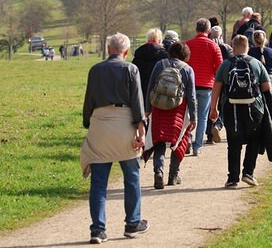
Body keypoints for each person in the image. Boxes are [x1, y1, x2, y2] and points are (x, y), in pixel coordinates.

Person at [80, 32, 149, 244]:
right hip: (125, 124)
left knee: (99, 182)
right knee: (132, 177)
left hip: (100, 124)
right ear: (126, 52)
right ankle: (132, 223)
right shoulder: (131, 69)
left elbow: (88, 101)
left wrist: (88, 124)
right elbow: (137, 101)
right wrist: (142, 129)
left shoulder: (95, 70)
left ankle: (98, 230)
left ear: (109, 49)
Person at [209, 35, 272, 188]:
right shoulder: (256, 63)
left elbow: (216, 87)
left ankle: (232, 179)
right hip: (254, 109)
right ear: (247, 47)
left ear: (233, 46)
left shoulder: (225, 65)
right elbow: (267, 88)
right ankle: (248, 173)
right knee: (254, 140)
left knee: (234, 142)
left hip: (231, 108)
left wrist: (213, 108)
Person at [144, 42, 197, 189]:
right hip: (178, 110)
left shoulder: (159, 65)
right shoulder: (187, 69)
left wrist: (148, 109)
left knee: (159, 141)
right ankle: (173, 175)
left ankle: (158, 171)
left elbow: (150, 87)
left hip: (159, 107)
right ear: (185, 54)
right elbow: (191, 96)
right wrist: (193, 117)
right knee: (179, 142)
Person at [186, 18, 223, 156]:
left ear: (196, 29)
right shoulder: (213, 46)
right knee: (202, 117)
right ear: (208, 30)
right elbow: (219, 68)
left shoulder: (188, 45)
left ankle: (187, 140)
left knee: (189, 115)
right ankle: (197, 145)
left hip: (190, 85)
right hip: (207, 85)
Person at [206, 26, 232, 144]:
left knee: (210, 107)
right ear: (221, 36)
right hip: (224, 81)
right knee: (222, 107)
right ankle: (218, 124)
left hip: (209, 80)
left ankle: (210, 135)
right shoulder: (227, 48)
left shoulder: (208, 45)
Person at [132, 28, 168, 102]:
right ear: (160, 40)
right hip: (159, 90)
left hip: (141, 89)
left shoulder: (139, 54)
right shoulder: (164, 55)